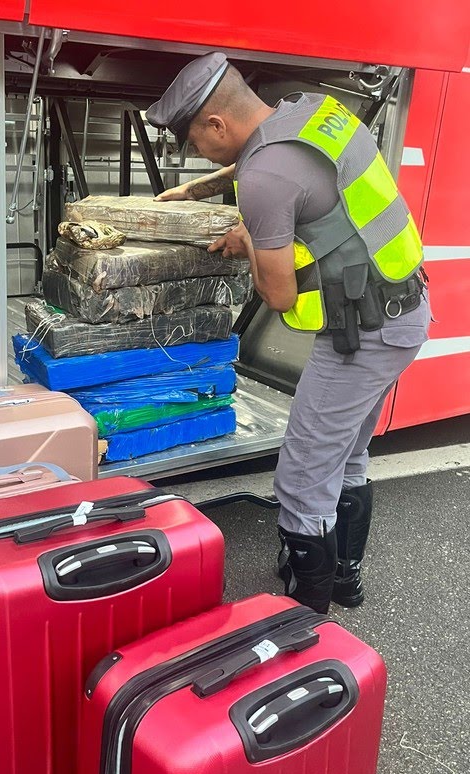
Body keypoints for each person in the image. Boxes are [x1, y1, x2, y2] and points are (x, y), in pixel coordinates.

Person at [146, 52, 430, 615]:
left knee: (301, 472)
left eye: (198, 144)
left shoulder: (264, 182)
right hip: (403, 311)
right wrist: (200, 192)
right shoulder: (311, 113)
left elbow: (277, 295)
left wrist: (250, 236)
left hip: (364, 333)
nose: (200, 153)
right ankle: (344, 579)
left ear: (216, 125)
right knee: (345, 452)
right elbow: (280, 168)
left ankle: (307, 610)